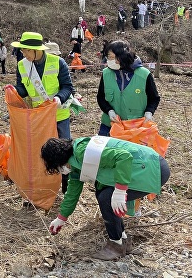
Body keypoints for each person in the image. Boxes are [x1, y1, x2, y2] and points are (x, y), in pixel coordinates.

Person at [42, 136, 170, 260]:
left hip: (153, 168)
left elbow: (123, 157)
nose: (60, 171)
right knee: (102, 193)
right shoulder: (76, 163)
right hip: (143, 167)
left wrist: (120, 191)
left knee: (106, 198)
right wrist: (61, 218)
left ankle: (116, 245)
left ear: (58, 160)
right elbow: (72, 193)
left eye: (57, 168)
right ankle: (123, 240)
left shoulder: (82, 152)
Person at [12, 31, 74, 191]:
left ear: (36, 49)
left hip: (58, 114)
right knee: (39, 149)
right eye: (22, 50)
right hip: (38, 116)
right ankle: (42, 184)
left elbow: (67, 86)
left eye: (25, 50)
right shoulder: (22, 65)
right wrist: (14, 91)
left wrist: (60, 98)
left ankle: (66, 185)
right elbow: (23, 89)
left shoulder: (58, 62)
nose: (23, 53)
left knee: (64, 149)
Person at [96, 40, 161, 137]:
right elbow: (101, 97)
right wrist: (109, 111)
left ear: (122, 57)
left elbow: (154, 98)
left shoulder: (144, 74)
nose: (109, 61)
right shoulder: (106, 74)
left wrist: (149, 112)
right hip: (110, 125)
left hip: (136, 126)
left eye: (112, 57)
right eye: (108, 58)